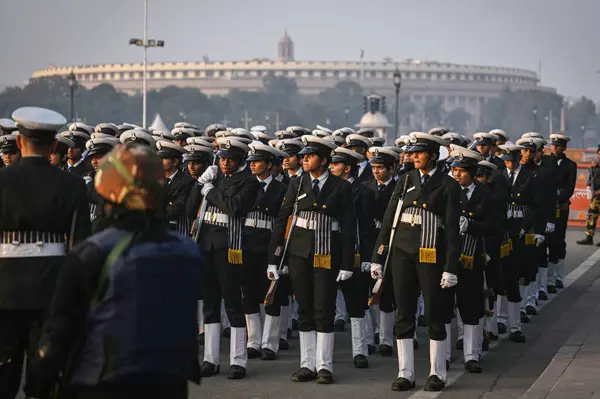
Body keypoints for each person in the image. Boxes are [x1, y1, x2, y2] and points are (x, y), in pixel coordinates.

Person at [25, 144, 203, 399]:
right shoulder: (188, 251)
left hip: (103, 380)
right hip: (170, 380)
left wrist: (39, 381)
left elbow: (59, 330)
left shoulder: (92, 252)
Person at [0, 106, 91, 399]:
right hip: (52, 288)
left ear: (17, 143)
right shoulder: (73, 185)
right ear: (54, 145)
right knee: (47, 375)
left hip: (4, 288)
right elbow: (80, 245)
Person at [370, 132, 460, 392]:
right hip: (402, 253)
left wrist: (451, 267)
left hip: (431, 254)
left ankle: (436, 372)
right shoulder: (406, 180)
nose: (414, 157)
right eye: (413, 153)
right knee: (404, 311)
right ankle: (405, 371)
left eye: (419, 153)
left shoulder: (447, 184)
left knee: (434, 312)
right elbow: (390, 219)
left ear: (433, 155)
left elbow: (453, 230)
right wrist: (378, 255)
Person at [269, 135, 355, 384]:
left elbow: (349, 228)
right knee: (304, 307)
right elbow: (282, 219)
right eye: (303, 155)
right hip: (299, 252)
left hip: (327, 252)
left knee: (324, 308)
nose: (303, 159)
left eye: (310, 156)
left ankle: (324, 365)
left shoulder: (341, 187)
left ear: (325, 160)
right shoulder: (296, 184)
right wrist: (273, 258)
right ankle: (307, 364)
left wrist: (348, 263)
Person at [187, 137, 260, 379]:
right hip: (206, 243)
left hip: (229, 246)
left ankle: (238, 360)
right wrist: (200, 184)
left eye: (230, 159)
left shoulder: (249, 181)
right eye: (222, 158)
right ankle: (210, 358)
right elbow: (190, 209)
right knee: (210, 303)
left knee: (232, 302)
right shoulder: (213, 177)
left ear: (240, 160)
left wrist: (210, 191)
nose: (225, 163)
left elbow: (236, 207)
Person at [449, 145, 494, 374]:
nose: (456, 174)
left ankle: (471, 354)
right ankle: (444, 354)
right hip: (446, 258)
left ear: (472, 172)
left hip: (472, 257)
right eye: (454, 170)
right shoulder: (446, 190)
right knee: (445, 307)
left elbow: (492, 226)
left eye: (461, 170)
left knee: (471, 306)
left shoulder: (484, 194)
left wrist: (471, 226)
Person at [329, 146, 376, 368]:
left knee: (356, 303)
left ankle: (360, 350)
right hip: (329, 249)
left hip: (354, 252)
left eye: (336, 164)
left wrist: (367, 256)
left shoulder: (363, 192)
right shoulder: (328, 188)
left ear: (347, 168)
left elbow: (366, 228)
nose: (331, 167)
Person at [243, 143, 288, 360]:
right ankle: (253, 341)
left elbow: (282, 220)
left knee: (272, 293)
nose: (252, 166)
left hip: (270, 241)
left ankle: (270, 342)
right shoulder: (246, 184)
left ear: (269, 165)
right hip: (247, 241)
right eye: (250, 162)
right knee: (249, 293)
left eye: (257, 162)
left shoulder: (281, 188)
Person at [497, 143, 543, 342]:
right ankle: (500, 319)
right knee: (499, 278)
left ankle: (515, 325)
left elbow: (536, 206)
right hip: (503, 229)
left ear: (518, 159)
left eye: (511, 160)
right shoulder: (499, 176)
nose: (509, 164)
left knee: (517, 276)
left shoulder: (531, 177)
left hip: (521, 228)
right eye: (506, 161)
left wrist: (526, 228)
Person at [363, 147, 401, 356]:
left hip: (391, 243)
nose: (376, 172)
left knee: (387, 294)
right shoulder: (365, 188)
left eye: (380, 168)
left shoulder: (400, 189)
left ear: (392, 168)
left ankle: (386, 339)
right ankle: (370, 337)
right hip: (369, 242)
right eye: (374, 167)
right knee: (369, 291)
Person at [547, 134, 577, 291]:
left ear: (564, 147)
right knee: (547, 241)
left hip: (561, 206)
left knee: (559, 240)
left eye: (558, 146)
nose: (555, 148)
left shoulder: (570, 165)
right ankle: (549, 278)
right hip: (546, 206)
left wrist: (559, 199)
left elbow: (570, 187)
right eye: (553, 145)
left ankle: (558, 277)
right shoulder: (546, 162)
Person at [156, 140, 195, 236]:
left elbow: (177, 208)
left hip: (176, 231)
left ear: (175, 161)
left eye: (163, 158)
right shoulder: (155, 178)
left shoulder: (186, 181)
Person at [83, 137, 118, 225]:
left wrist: (89, 183)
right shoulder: (89, 176)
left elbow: (97, 198)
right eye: (92, 158)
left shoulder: (115, 178)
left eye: (98, 157)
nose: (94, 162)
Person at [578, 145, 600, 245]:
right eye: (599, 153)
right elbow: (592, 178)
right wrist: (589, 184)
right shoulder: (596, 166)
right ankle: (589, 237)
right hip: (595, 198)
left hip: (598, 194)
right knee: (591, 216)